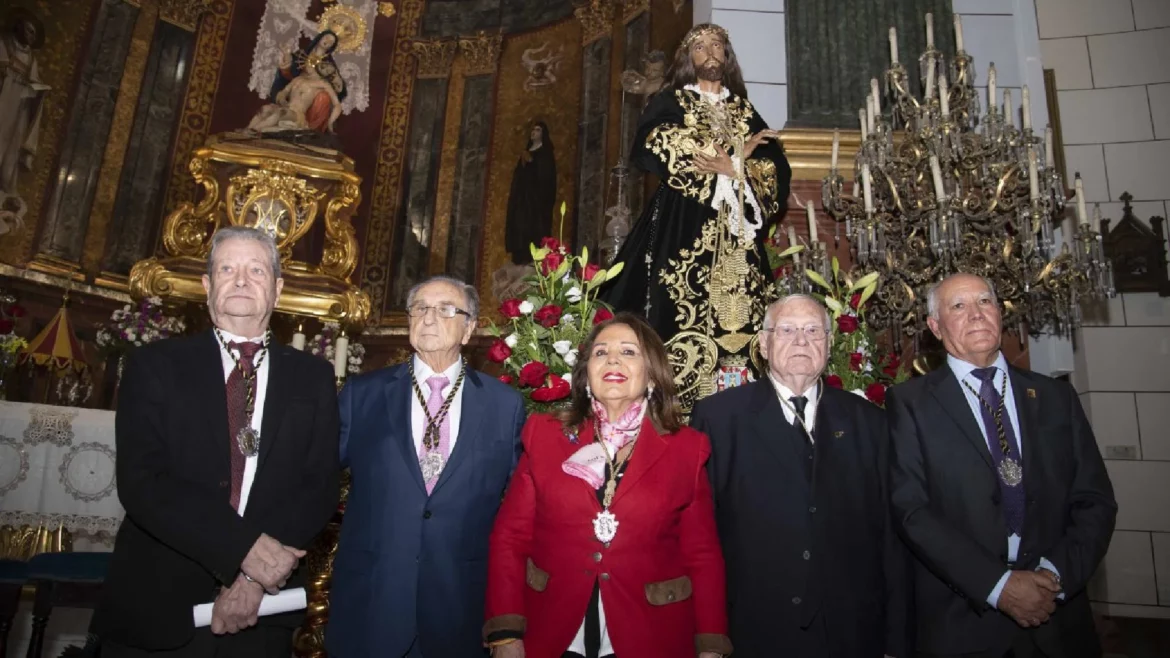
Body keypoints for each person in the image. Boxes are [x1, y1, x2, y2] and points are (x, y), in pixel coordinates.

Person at [93, 226, 341, 656]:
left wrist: (252, 580)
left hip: (263, 613)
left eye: (256, 270)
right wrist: (241, 551)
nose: (241, 280)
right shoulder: (156, 365)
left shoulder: (313, 377)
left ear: (278, 289)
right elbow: (142, 482)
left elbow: (318, 485)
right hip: (160, 600)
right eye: (227, 268)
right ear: (207, 286)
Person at [887, 273, 1117, 658]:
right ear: (935, 327)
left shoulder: (1056, 397)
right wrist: (999, 585)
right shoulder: (910, 404)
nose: (976, 314)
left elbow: (1094, 500)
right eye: (958, 306)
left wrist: (1053, 576)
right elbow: (911, 510)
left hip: (1057, 618)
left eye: (985, 302)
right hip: (963, 623)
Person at [484, 312, 732, 658]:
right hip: (552, 628)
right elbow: (510, 537)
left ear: (651, 376)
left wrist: (711, 644)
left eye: (629, 352)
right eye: (601, 352)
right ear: (586, 375)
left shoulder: (688, 449)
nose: (613, 359)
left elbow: (702, 554)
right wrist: (506, 634)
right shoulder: (543, 435)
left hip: (649, 632)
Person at [690, 295, 912, 658]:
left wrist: (895, 641)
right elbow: (700, 534)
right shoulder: (718, 418)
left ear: (829, 343)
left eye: (813, 331)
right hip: (754, 630)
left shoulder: (868, 421)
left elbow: (891, 536)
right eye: (787, 330)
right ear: (763, 344)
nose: (801, 341)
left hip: (852, 631)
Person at [326, 275, 526, 658]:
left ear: (468, 329)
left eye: (446, 309)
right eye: (420, 309)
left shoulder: (504, 406)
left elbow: (517, 515)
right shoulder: (362, 395)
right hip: (372, 605)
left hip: (459, 607)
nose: (430, 318)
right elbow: (315, 481)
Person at [600, 23, 792, 410]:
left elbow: (775, 162)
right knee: (672, 297)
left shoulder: (743, 109)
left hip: (738, 229)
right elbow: (655, 137)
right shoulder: (673, 100)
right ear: (689, 58)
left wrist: (736, 169)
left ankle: (744, 401)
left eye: (717, 45)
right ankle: (674, 400)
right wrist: (729, 156)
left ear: (727, 55)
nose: (709, 52)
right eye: (700, 46)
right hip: (683, 219)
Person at [0, 11, 49, 208]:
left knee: (11, 145)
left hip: (19, 105)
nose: (30, 35)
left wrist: (38, 91)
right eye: (29, 30)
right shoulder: (5, 45)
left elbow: (34, 82)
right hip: (4, 97)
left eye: (33, 33)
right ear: (19, 28)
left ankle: (4, 186)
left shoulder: (31, 59)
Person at [504, 121, 557, 265]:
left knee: (534, 227)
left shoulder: (545, 153)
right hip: (522, 198)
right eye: (533, 130)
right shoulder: (526, 151)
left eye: (538, 130)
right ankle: (520, 256)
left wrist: (532, 163)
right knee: (520, 225)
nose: (534, 132)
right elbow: (518, 176)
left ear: (543, 133)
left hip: (537, 201)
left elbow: (547, 177)